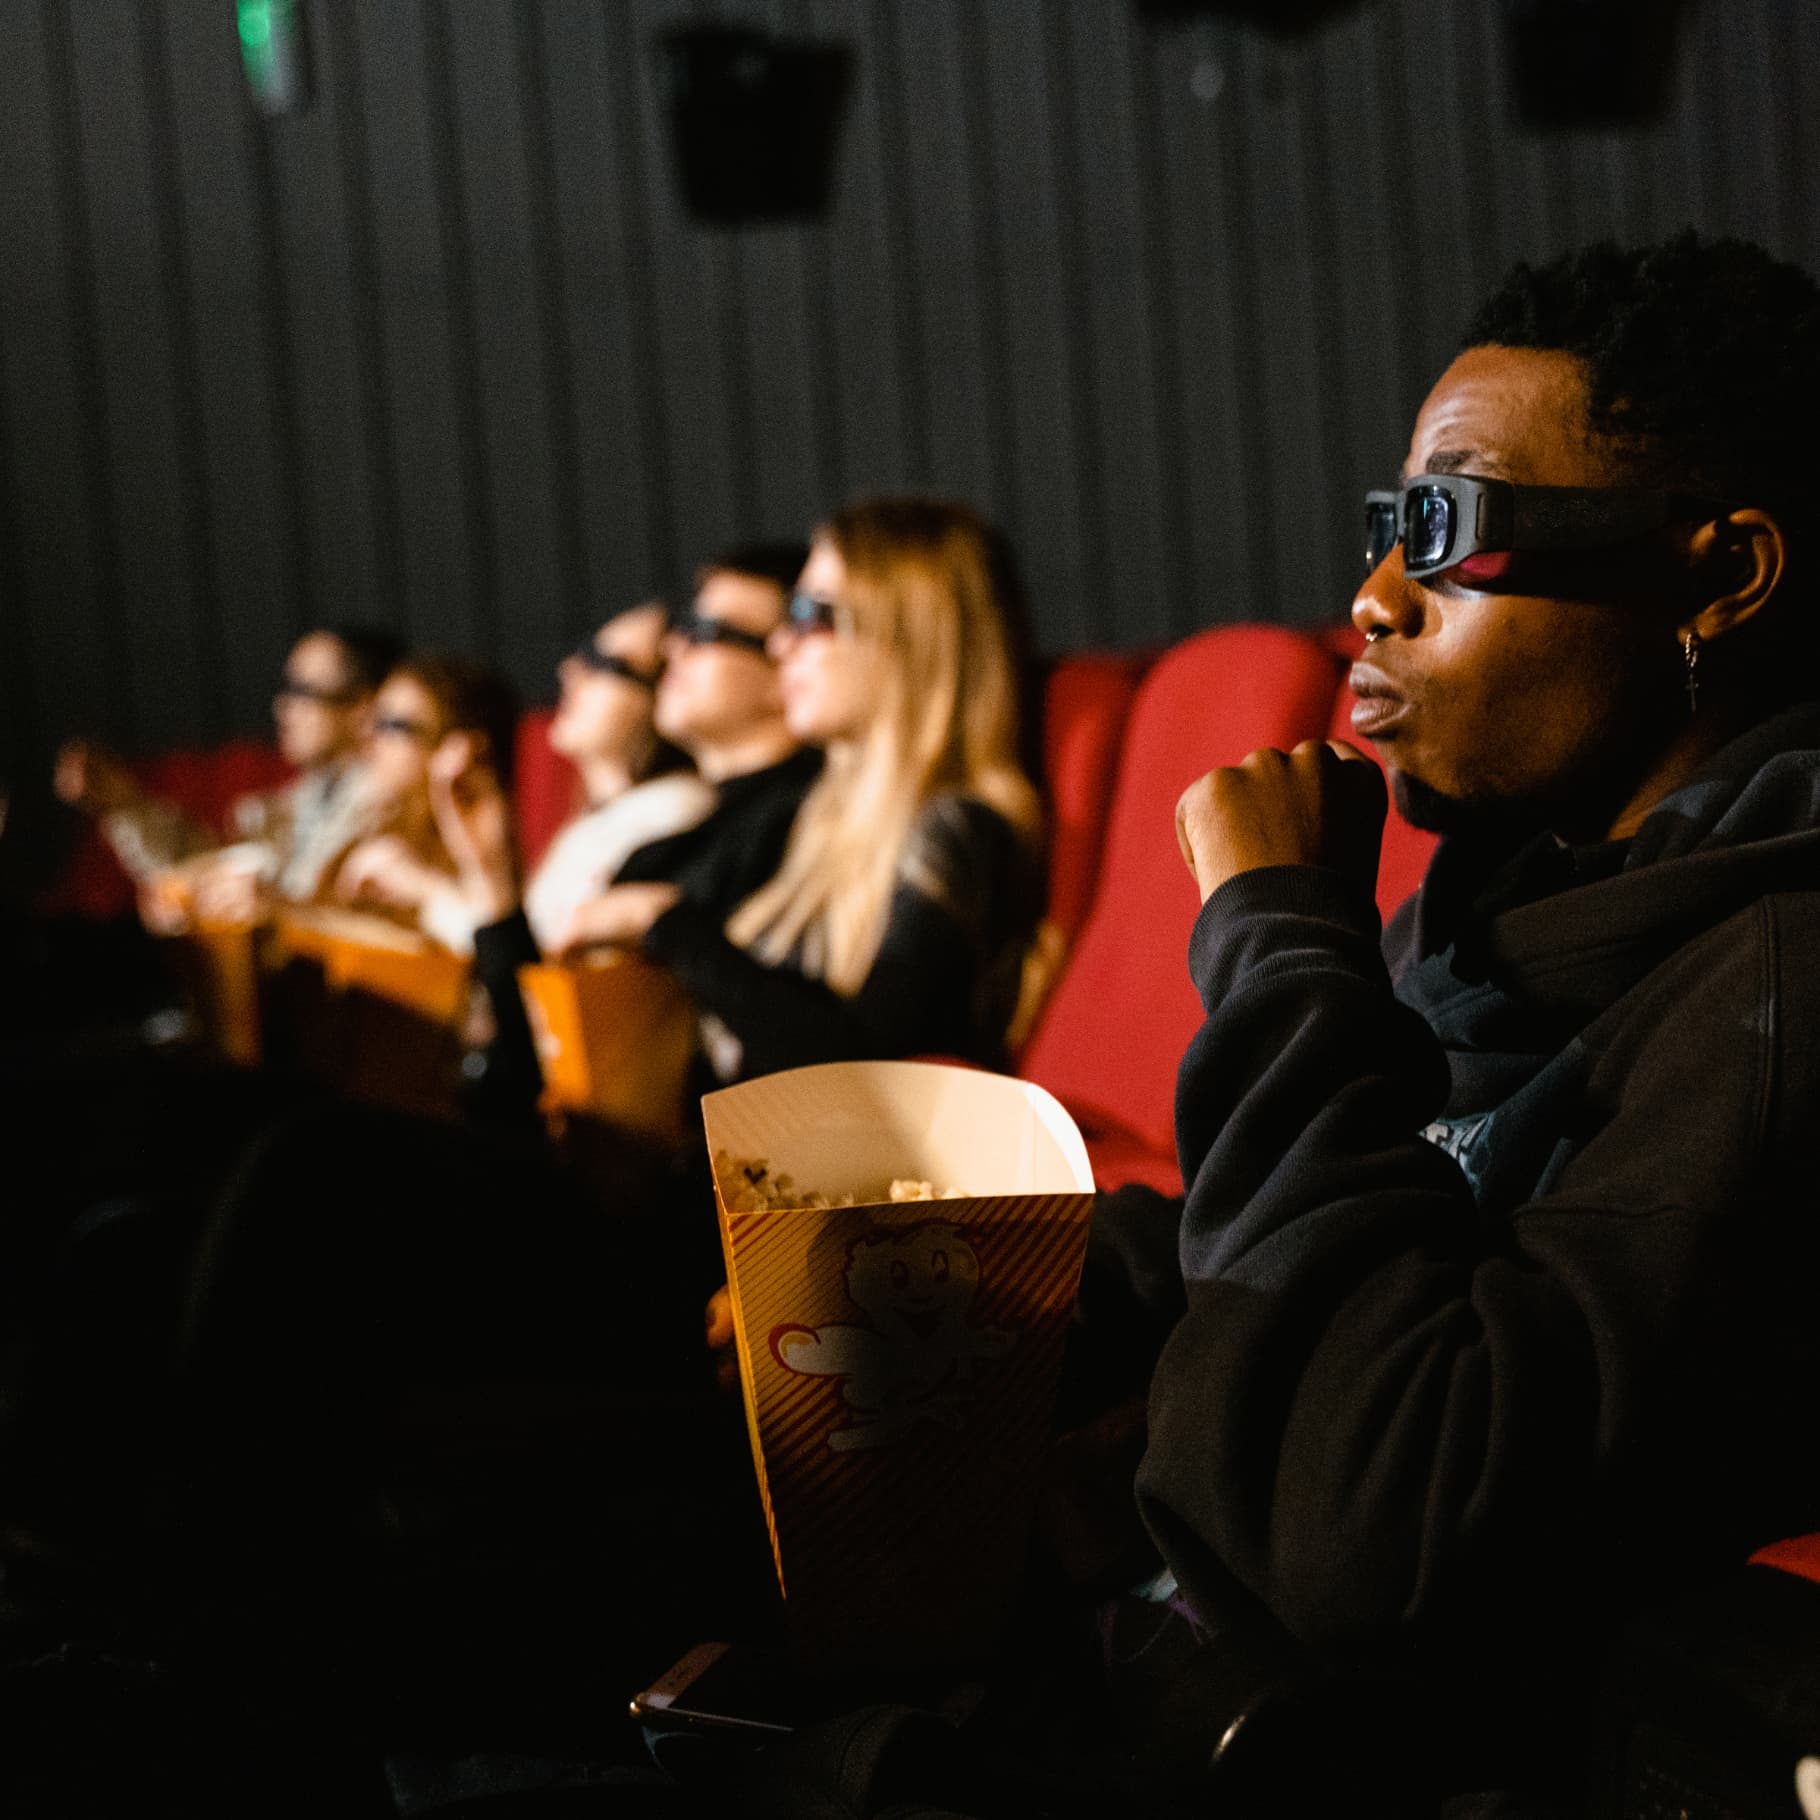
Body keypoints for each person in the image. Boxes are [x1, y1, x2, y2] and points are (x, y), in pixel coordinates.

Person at [1071, 233, 1820, 1810]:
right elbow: (1385, 1201)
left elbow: (1374, 1516)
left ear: (1722, 575)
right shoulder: (1515, 903)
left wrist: (1281, 950)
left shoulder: (1780, 986)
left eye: (1447, 525)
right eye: (1382, 526)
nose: (1373, 598)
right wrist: (985, 1287)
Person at [574, 496, 1045, 1083]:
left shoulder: (958, 828)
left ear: (905, 635)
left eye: (810, 615)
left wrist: (666, 923)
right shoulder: (828, 816)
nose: (780, 645)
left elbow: (866, 1071)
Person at [52, 625, 401, 926]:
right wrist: (124, 803)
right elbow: (211, 867)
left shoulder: (392, 809)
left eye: (302, 691)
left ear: (362, 708)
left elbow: (383, 935)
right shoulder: (305, 800)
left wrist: (281, 912)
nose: (282, 708)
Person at [332, 652, 518, 950]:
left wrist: (423, 887)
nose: (368, 735)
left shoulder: (477, 841)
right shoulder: (377, 820)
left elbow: (490, 956)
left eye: (393, 725)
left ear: (456, 747)